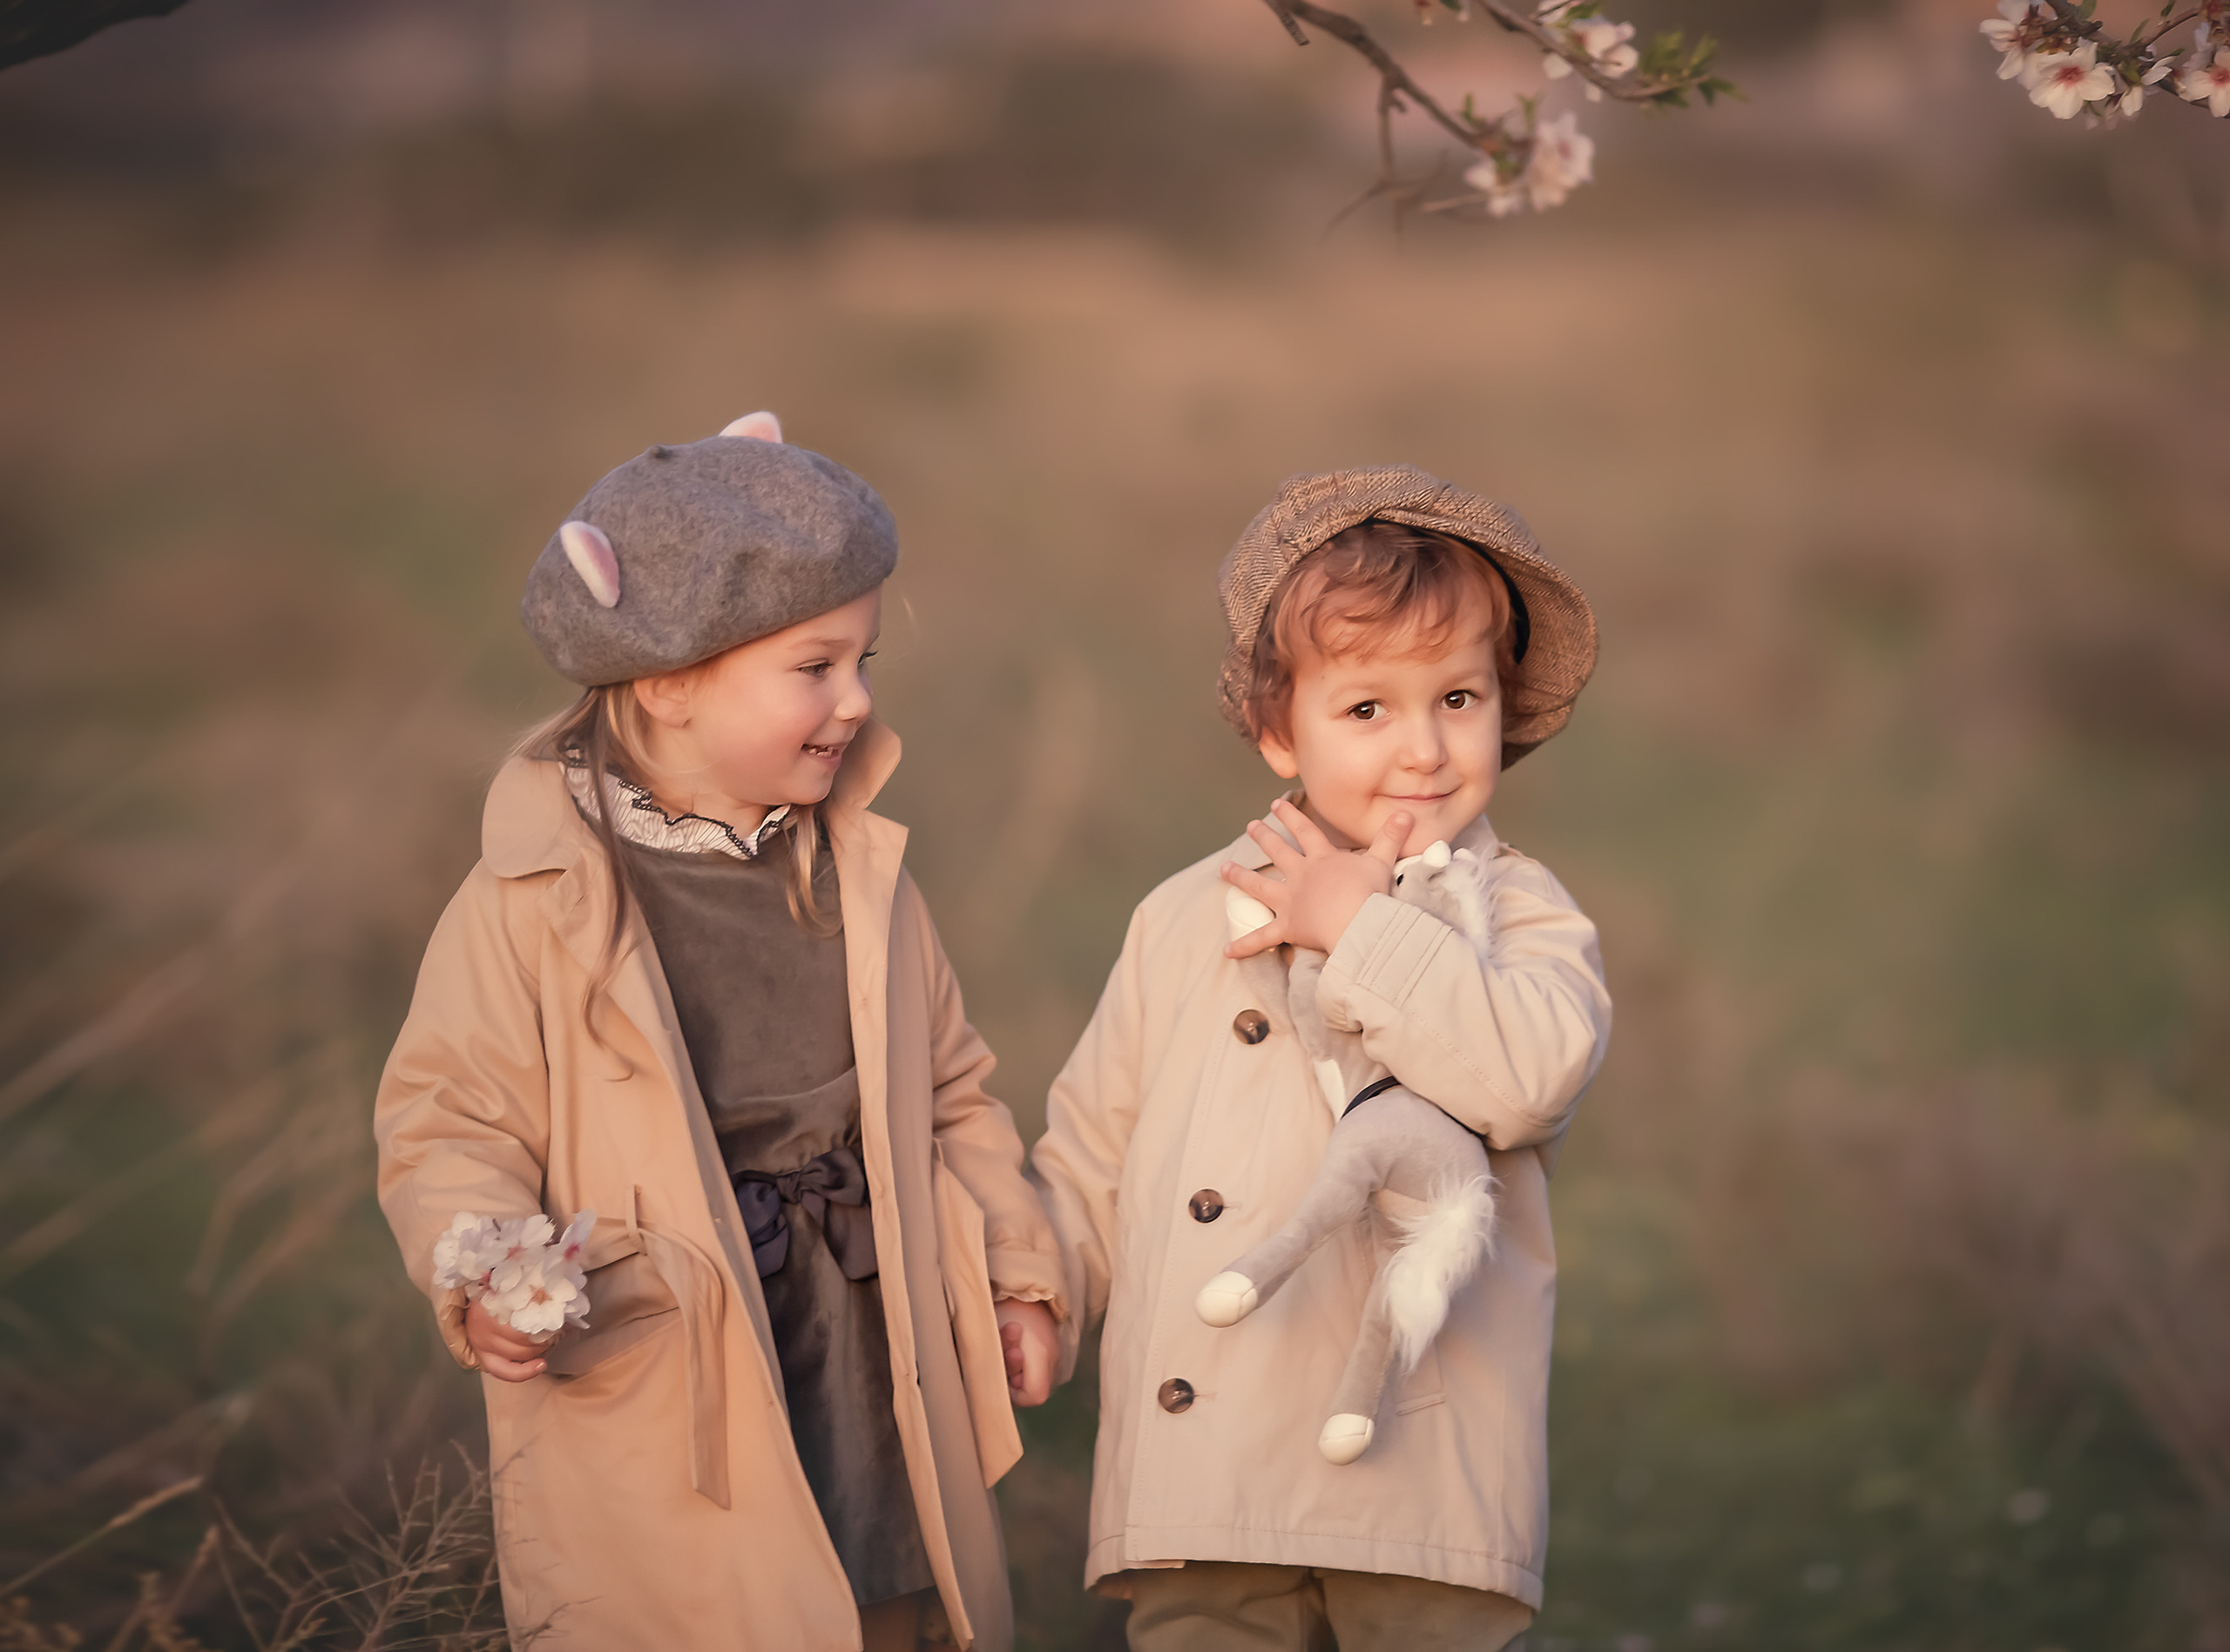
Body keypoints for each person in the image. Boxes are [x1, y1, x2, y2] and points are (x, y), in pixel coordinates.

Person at [373, 413, 1064, 1652]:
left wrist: (1015, 1268)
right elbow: (448, 1116)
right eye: (816, 666)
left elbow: (953, 1090)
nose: (856, 700)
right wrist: (484, 1270)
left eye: (862, 662)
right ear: (671, 680)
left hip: (865, 1335)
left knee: (883, 1598)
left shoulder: (858, 869)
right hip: (669, 1363)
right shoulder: (534, 901)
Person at [1031, 466, 1613, 1652]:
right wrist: (1039, 1287)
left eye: (1458, 697)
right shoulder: (1186, 915)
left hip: (1419, 1469)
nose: (1425, 747)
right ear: (1273, 727)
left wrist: (1363, 927)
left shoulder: (1521, 912)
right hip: (1203, 1474)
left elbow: (1530, 1074)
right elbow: (1095, 1144)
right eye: (1367, 710)